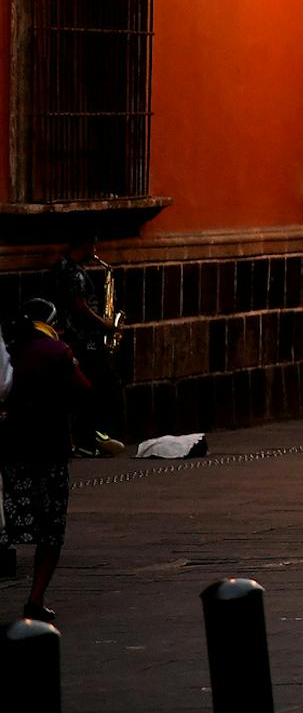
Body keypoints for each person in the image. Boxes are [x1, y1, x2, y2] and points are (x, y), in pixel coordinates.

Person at [3, 300, 93, 622]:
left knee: (8, 522)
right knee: (51, 529)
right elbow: (84, 388)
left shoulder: (12, 350)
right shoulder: (57, 352)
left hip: (14, 448)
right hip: (50, 447)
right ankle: (36, 597)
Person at [46, 231, 122, 457]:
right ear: (86, 244)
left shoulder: (63, 267)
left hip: (77, 337)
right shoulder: (72, 272)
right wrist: (104, 324)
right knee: (96, 387)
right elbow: (79, 304)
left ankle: (90, 438)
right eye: (94, 246)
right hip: (82, 339)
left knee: (91, 387)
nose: (96, 251)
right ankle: (90, 439)